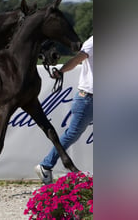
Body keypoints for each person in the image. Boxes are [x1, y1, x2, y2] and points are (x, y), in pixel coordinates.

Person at [35, 35, 93, 184]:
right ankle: (45, 165)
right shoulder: (94, 41)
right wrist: (61, 71)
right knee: (72, 134)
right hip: (88, 98)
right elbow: (76, 59)